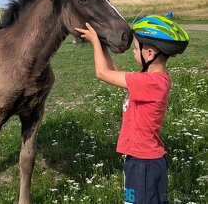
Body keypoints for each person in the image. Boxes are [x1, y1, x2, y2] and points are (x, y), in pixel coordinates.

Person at [75, 15, 189, 204]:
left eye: (136, 49)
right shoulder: (151, 80)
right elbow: (113, 73)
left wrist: (95, 41)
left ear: (150, 54)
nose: (134, 52)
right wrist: (103, 44)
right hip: (145, 161)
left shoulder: (149, 82)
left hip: (143, 164)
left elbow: (102, 73)